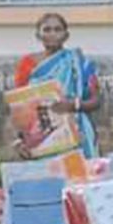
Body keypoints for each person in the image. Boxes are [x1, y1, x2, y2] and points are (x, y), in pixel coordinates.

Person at [16, 13, 103, 159]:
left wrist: (73, 105)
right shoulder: (27, 64)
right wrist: (21, 139)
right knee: (48, 173)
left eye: (57, 29)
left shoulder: (78, 63)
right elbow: (20, 107)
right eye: (47, 29)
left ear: (66, 35)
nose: (52, 34)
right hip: (43, 137)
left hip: (77, 133)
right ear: (38, 35)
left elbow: (96, 100)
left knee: (79, 172)